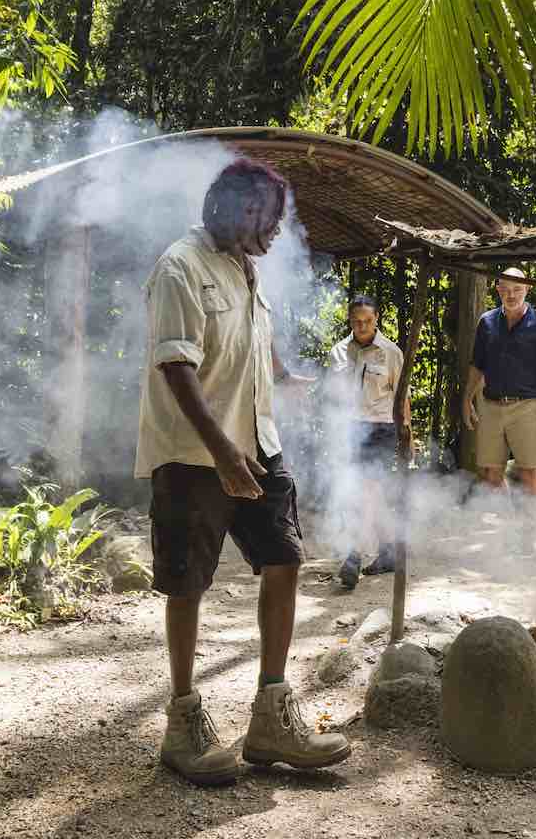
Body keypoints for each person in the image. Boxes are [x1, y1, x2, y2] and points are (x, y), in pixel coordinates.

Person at [134, 158, 350, 786]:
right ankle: (182, 725)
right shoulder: (179, 267)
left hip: (258, 442)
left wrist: (283, 376)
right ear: (238, 210)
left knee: (284, 559)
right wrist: (223, 453)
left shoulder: (243, 267)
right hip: (194, 455)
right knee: (187, 582)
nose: (278, 230)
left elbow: (251, 336)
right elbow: (176, 368)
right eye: (270, 218)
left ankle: (271, 718)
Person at [463, 267, 536, 549]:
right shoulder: (486, 322)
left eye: (517, 289)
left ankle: (529, 537)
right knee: (491, 474)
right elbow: (477, 366)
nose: (511, 295)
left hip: (526, 407)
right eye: (506, 289)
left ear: (527, 290)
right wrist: (466, 400)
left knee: (527, 472)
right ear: (497, 289)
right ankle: (514, 524)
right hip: (490, 405)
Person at [326, 295, 409, 589]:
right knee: (363, 493)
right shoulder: (338, 352)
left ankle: (353, 555)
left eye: (367, 321)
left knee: (367, 490)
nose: (362, 326)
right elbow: (333, 396)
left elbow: (402, 397)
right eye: (356, 321)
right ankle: (389, 550)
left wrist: (407, 434)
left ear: (377, 320)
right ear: (350, 321)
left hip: (381, 428)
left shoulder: (391, 353)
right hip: (348, 429)